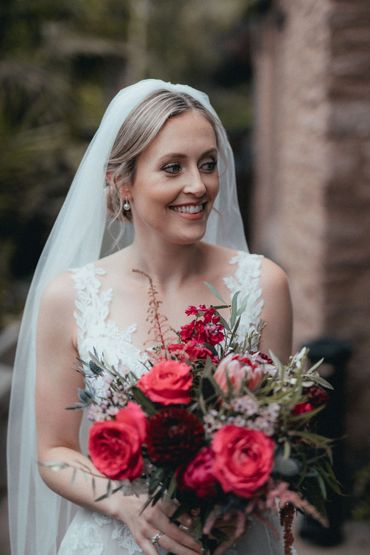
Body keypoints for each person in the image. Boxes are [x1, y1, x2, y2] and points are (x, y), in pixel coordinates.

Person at [7, 79, 293, 555]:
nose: (198, 186)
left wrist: (238, 505)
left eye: (207, 164)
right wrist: (125, 503)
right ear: (123, 184)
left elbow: (278, 437)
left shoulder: (264, 285)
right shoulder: (70, 298)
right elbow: (54, 454)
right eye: (172, 168)